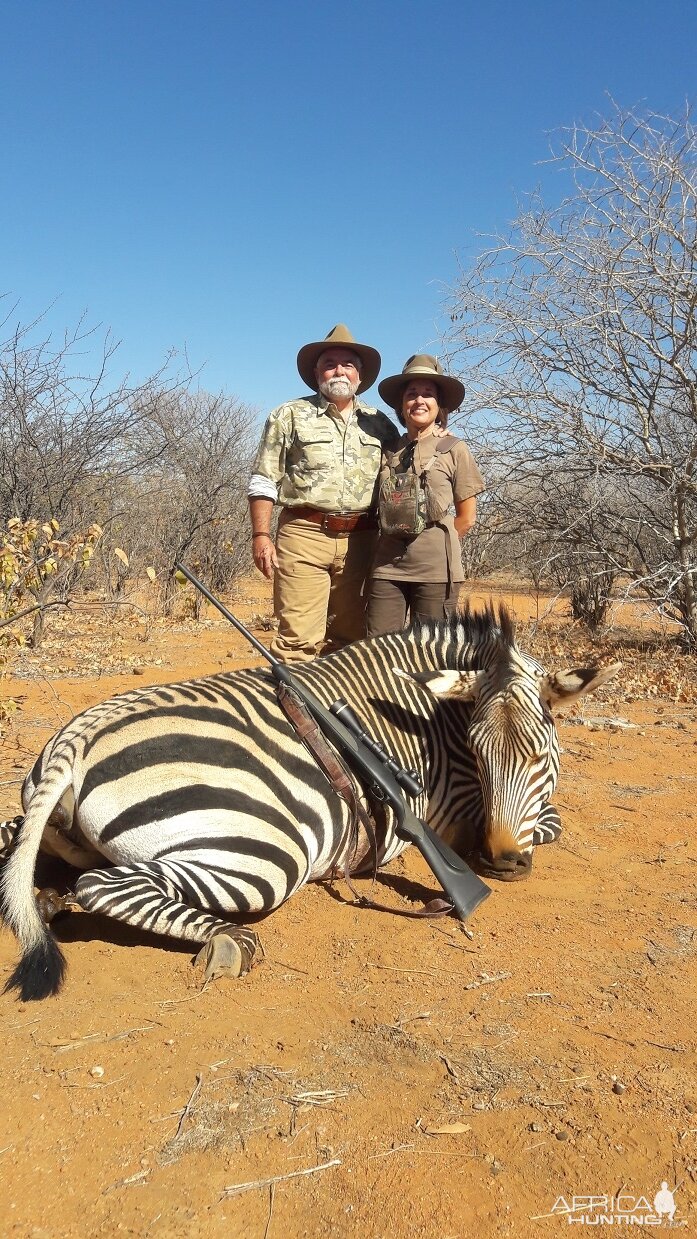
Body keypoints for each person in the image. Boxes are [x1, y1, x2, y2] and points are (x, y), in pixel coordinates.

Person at [248, 324, 398, 662]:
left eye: (348, 363)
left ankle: (338, 714)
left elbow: (406, 472)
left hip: (363, 541)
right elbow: (263, 478)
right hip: (304, 535)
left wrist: (438, 429)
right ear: (317, 372)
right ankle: (292, 714)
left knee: (350, 642)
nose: (339, 370)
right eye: (330, 363)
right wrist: (260, 535)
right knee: (297, 643)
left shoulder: (380, 423)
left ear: (360, 375)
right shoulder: (288, 415)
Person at [366, 354, 484, 637]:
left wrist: (433, 543)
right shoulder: (387, 449)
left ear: (439, 404)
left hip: (436, 570)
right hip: (386, 567)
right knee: (378, 650)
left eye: (428, 394)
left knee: (430, 655)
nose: (420, 400)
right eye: (412, 394)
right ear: (402, 405)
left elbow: (467, 518)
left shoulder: (455, 448)